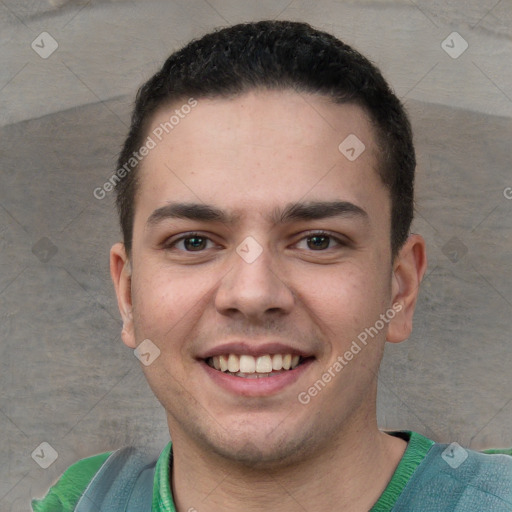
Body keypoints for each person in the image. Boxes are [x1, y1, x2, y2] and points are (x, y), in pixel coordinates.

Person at [32, 19, 512, 512]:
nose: (253, 294)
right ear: (127, 295)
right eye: (194, 241)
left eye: (319, 240)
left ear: (400, 290)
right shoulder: (82, 501)